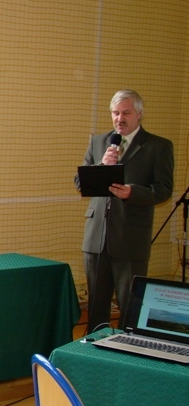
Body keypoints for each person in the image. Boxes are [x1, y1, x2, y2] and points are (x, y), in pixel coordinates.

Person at [75, 89, 174, 333]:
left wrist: (133, 192)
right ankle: (94, 347)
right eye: (115, 113)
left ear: (139, 114)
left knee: (129, 305)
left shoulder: (158, 146)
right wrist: (102, 165)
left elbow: (163, 190)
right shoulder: (99, 142)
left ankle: (126, 348)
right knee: (96, 305)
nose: (120, 118)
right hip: (97, 238)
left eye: (126, 113)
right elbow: (80, 182)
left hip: (131, 239)